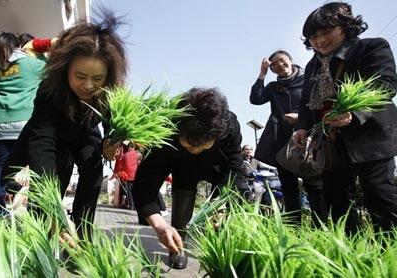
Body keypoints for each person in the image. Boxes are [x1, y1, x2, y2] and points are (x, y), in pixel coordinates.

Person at [1, 11, 127, 238]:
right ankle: (41, 235)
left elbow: (114, 122)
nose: (88, 86)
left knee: (93, 166)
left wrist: (111, 141)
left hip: (84, 134)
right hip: (51, 139)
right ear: (65, 68)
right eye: (80, 76)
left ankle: (83, 231)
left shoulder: (111, 93)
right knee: (53, 179)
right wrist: (54, 207)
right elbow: (42, 143)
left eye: (97, 79)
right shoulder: (50, 91)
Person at [294, 2, 397, 233]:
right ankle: (352, 256)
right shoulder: (312, 66)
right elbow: (305, 101)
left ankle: (391, 256)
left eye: (326, 32)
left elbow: (385, 86)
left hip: (370, 138)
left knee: (380, 196)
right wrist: (302, 126)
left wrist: (354, 113)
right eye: (313, 36)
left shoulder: (371, 48)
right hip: (330, 143)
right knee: (337, 204)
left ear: (345, 27)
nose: (319, 40)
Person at [132, 87, 248, 269]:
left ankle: (222, 246)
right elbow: (144, 184)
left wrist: (221, 203)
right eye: (189, 144)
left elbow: (235, 167)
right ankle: (178, 245)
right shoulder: (165, 131)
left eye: (201, 145)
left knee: (229, 197)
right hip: (182, 165)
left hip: (217, 167)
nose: (195, 150)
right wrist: (160, 226)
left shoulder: (230, 125)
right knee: (183, 188)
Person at [250, 50, 327, 225]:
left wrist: (300, 118)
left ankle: (321, 229)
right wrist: (262, 73)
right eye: (274, 65)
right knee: (288, 187)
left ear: (291, 61)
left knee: (314, 186)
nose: (279, 66)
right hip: (283, 142)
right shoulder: (273, 88)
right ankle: (293, 230)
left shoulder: (308, 80)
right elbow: (255, 99)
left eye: (282, 61)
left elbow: (318, 106)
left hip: (309, 139)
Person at [0, 32, 46, 215]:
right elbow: (53, 70)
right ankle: (36, 216)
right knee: (35, 170)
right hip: (24, 127)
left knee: (1, 169)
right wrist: (38, 51)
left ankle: (0, 215)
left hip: (0, 126)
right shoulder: (32, 64)